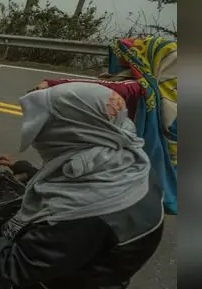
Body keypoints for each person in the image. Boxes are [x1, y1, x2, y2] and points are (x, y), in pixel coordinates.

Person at [0, 82, 165, 289]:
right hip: (91, 285)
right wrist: (33, 172)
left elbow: (17, 264)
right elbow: (78, 187)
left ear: (72, 132)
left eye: (45, 129)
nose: (38, 141)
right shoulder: (130, 164)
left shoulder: (84, 214)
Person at [34, 35, 177, 214]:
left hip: (123, 155)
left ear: (150, 58)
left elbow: (101, 88)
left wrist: (52, 84)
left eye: (132, 53)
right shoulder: (170, 90)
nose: (123, 56)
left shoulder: (139, 88)